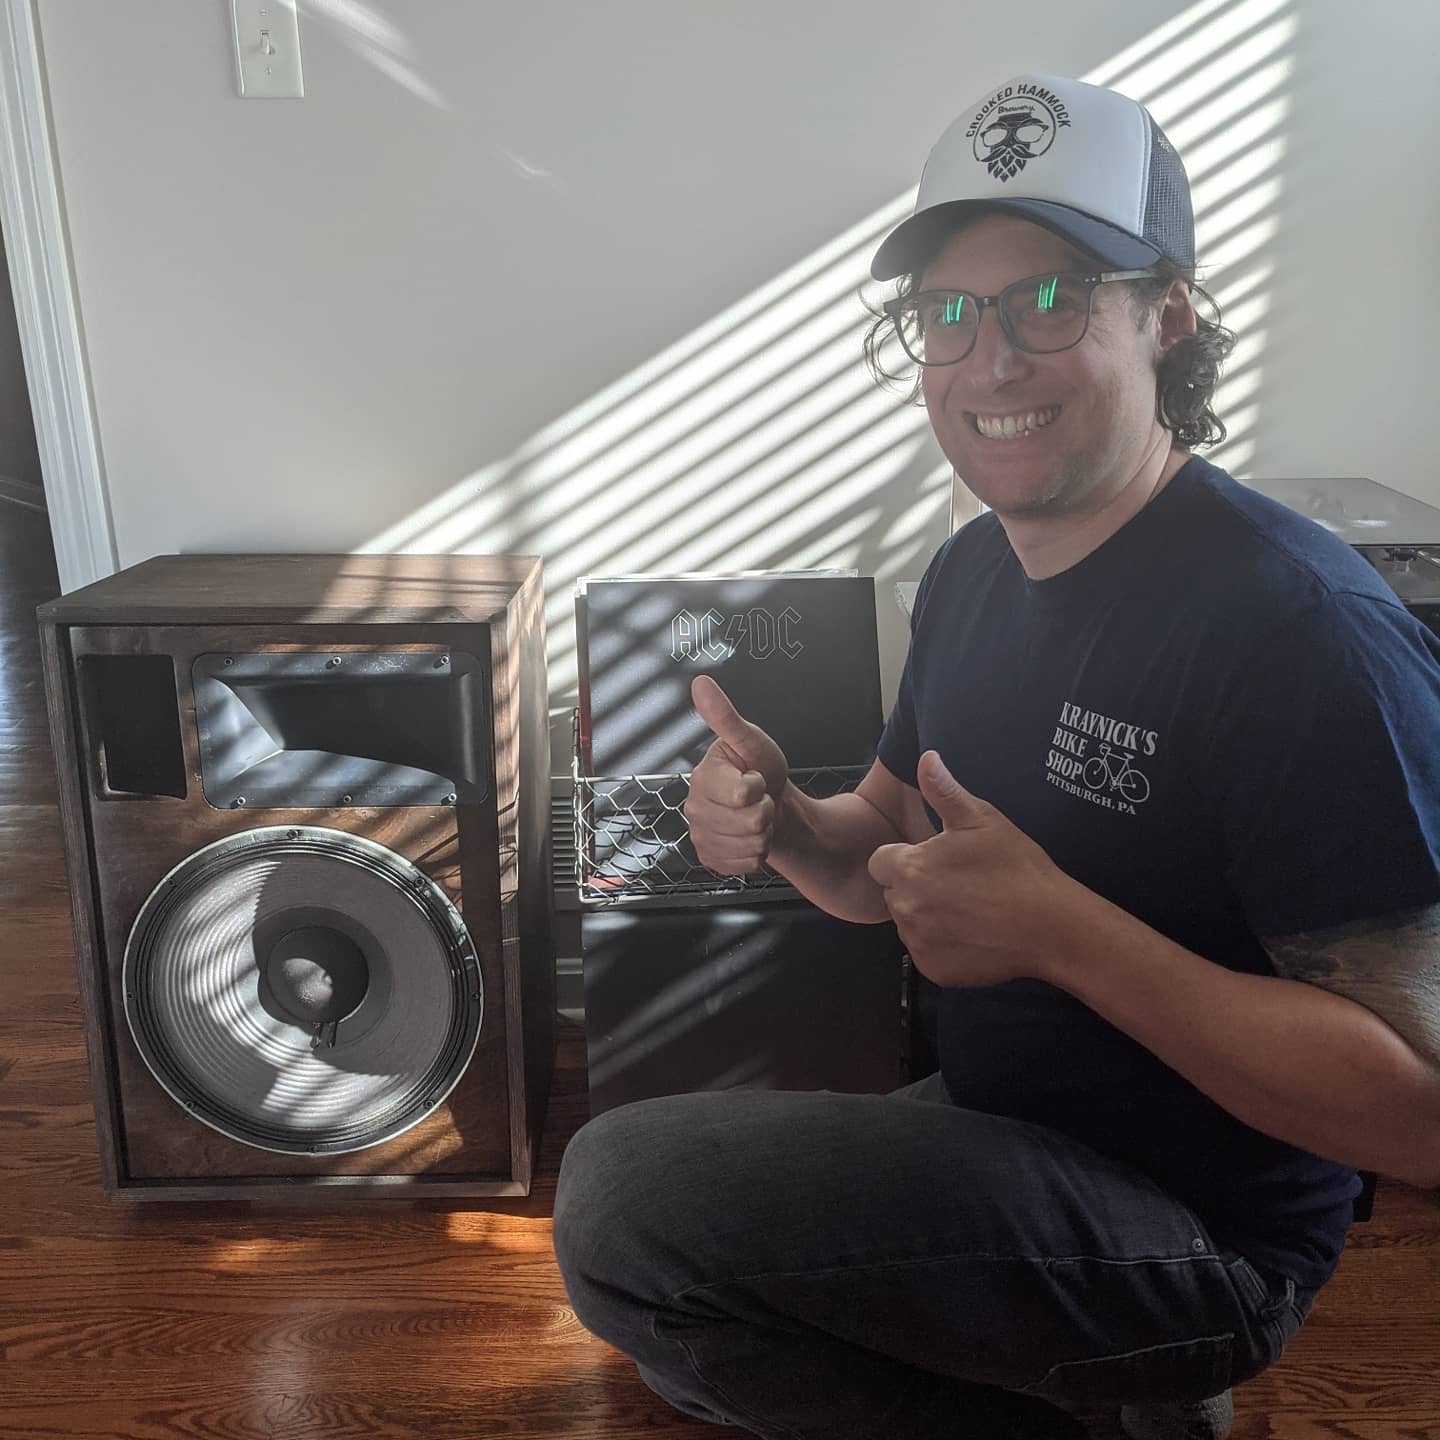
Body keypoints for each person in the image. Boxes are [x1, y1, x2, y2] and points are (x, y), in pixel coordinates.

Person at [552, 72, 1440, 1440]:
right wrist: (784, 821)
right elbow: (880, 861)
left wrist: (1063, 936)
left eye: (1050, 299)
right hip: (1007, 1127)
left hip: (1202, 1234)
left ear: (1168, 315)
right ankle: (1116, 1400)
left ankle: (1150, 1385)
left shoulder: (1301, 631)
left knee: (626, 1203)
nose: (990, 361)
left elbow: (1419, 1117)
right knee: (678, 1320)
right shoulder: (972, 571)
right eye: (947, 314)